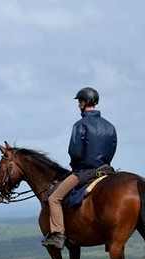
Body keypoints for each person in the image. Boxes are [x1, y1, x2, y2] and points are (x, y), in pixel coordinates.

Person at [43, 87, 117, 249]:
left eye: (79, 102)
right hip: (107, 170)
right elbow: (112, 148)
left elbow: (75, 151)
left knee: (53, 198)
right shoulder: (110, 126)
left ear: (84, 103)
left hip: (85, 172)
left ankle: (58, 235)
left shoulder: (80, 125)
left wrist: (76, 167)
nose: (78, 105)